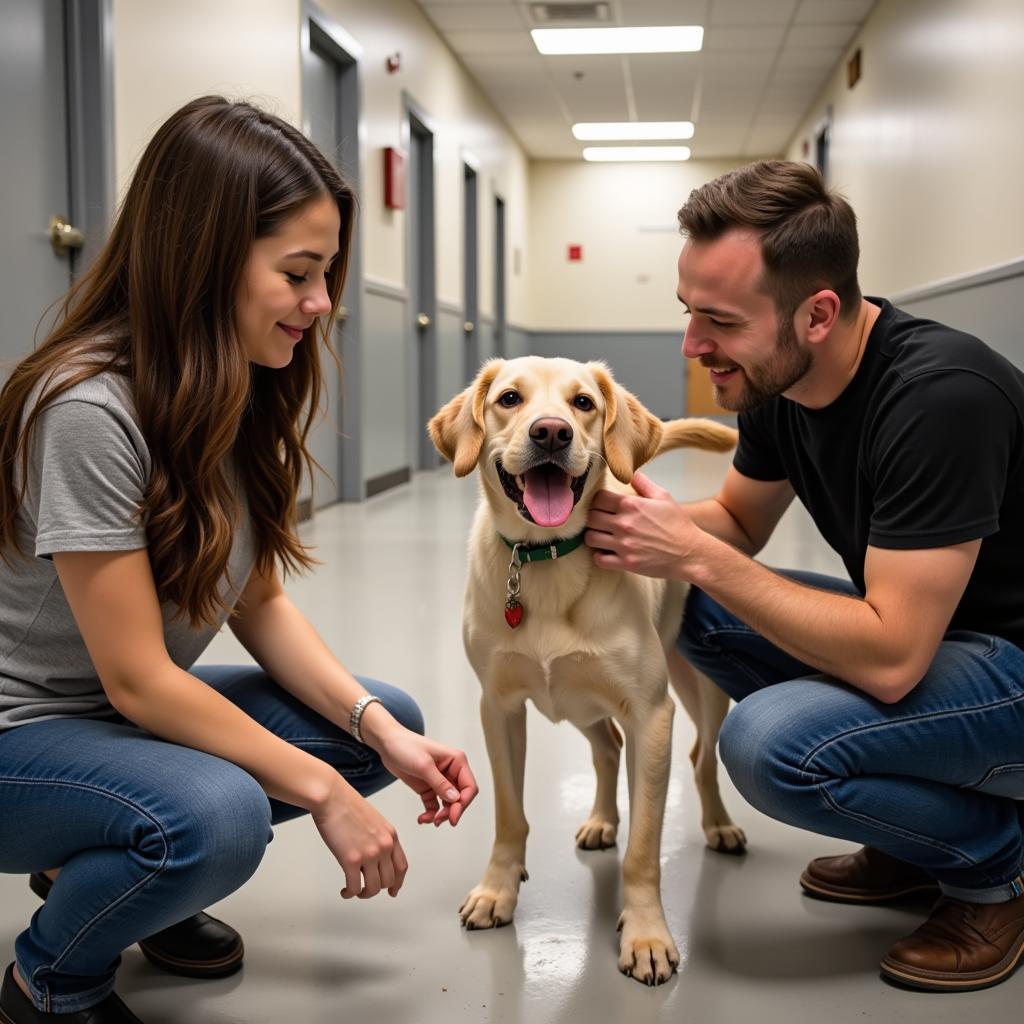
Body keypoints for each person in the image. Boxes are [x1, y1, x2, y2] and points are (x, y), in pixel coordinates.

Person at [0, 96, 477, 1024]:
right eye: (298, 273)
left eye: (329, 273)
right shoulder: (88, 409)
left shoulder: (231, 383)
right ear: (204, 259)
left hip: (109, 724)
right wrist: (329, 796)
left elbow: (255, 603)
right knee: (220, 814)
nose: (322, 303)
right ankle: (48, 981)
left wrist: (380, 735)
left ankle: (132, 876)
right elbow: (139, 681)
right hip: (23, 736)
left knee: (378, 723)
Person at [583, 159, 1024, 993]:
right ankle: (913, 837)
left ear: (818, 313)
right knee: (685, 602)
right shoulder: (782, 383)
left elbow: (893, 656)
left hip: (1008, 665)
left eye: (718, 321)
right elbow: (740, 525)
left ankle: (992, 867)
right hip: (944, 642)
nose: (691, 346)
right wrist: (626, 528)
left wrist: (695, 553)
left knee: (772, 747)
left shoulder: (940, 397)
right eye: (687, 314)